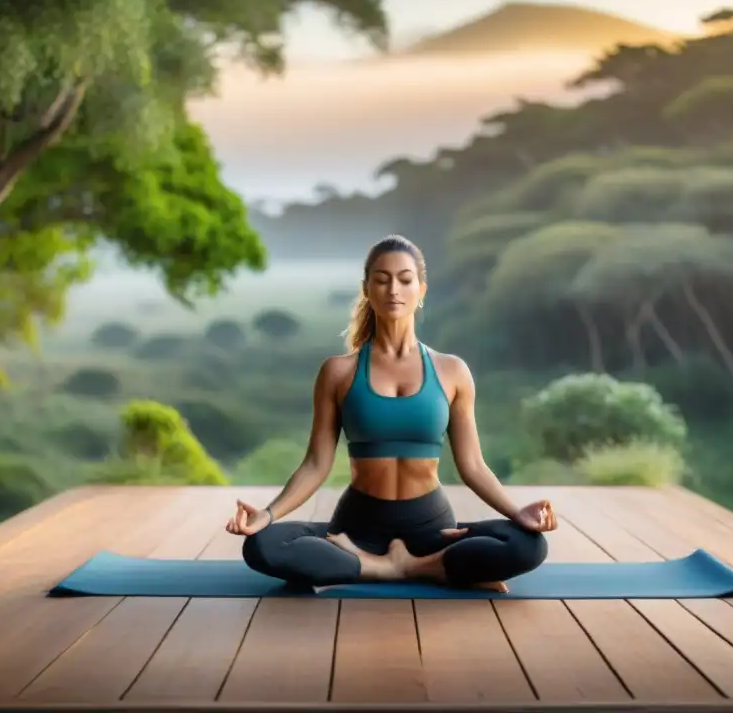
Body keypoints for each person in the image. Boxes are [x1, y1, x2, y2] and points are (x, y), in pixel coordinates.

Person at [225, 234, 557, 592]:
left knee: (529, 545)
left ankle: (410, 566)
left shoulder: (452, 371)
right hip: (357, 529)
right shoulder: (338, 372)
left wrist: (516, 513)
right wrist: (268, 514)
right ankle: (395, 568)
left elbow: (472, 465)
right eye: (381, 280)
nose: (393, 289)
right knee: (262, 544)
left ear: (421, 289)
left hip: (431, 527)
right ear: (367, 288)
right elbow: (315, 464)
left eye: (404, 279)